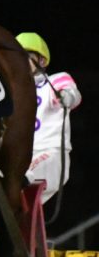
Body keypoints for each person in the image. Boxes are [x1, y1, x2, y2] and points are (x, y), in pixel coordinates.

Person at [16, 32, 81, 204]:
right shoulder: (16, 92)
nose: (19, 62)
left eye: (26, 56)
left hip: (52, 155)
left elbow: (73, 94)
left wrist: (67, 96)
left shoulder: (56, 80)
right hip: (23, 156)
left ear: (42, 61)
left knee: (23, 176)